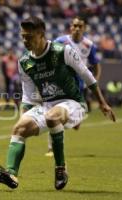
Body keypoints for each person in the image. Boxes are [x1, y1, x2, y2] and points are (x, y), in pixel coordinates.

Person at [0, 16, 115, 190]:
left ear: (41, 34)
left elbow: (87, 76)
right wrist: (24, 117)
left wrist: (102, 102)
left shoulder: (63, 51)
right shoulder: (25, 62)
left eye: (29, 36)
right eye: (23, 36)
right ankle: (11, 173)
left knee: (52, 116)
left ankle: (60, 169)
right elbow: (28, 96)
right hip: (48, 105)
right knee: (19, 129)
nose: (25, 40)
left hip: (73, 103)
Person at [44, 16, 102, 157]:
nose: (76, 28)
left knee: (75, 124)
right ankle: (51, 148)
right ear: (71, 26)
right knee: (53, 115)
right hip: (60, 85)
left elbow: (96, 65)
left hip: (79, 87)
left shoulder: (89, 46)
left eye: (80, 26)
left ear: (84, 28)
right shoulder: (60, 41)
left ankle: (74, 119)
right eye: (74, 25)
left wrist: (94, 82)